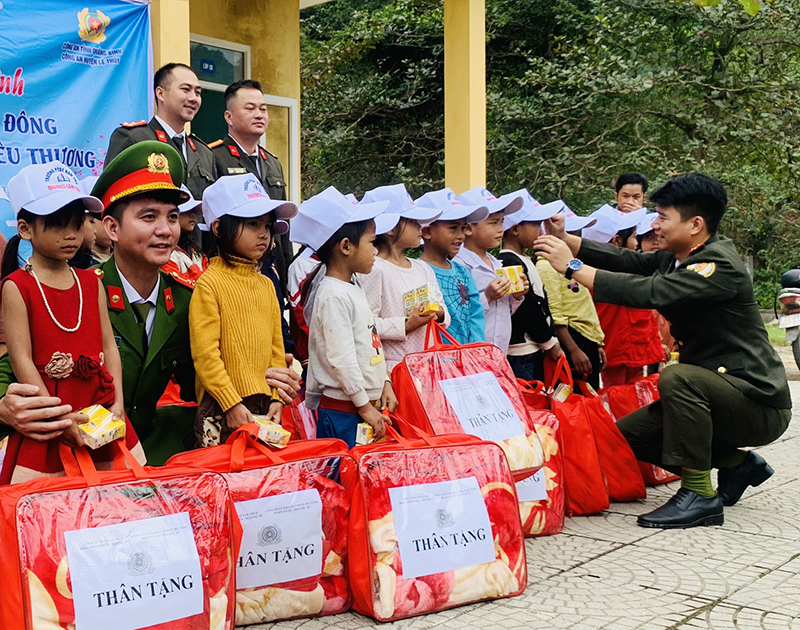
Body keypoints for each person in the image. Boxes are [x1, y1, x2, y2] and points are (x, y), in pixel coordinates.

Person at [0, 142, 301, 464]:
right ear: (112, 228)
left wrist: (276, 378)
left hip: (157, 452)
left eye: (172, 217)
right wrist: (4, 406)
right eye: (148, 217)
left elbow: (207, 375)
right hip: (74, 451)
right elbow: (13, 369)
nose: (165, 230)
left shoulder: (189, 299)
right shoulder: (78, 292)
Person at [535, 173, 791, 529]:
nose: (654, 225)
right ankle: (737, 464)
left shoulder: (715, 266)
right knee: (626, 437)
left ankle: (699, 494)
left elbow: (648, 293)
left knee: (678, 377)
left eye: (663, 217)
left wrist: (573, 267)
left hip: (756, 402)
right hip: (716, 393)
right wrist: (569, 241)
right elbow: (627, 263)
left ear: (695, 224)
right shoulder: (677, 257)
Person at [0, 161, 144, 483]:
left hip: (99, 411)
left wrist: (117, 400)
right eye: (58, 224)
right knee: (50, 510)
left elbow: (109, 346)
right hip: (51, 416)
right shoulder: (16, 286)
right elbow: (21, 358)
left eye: (78, 224)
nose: (71, 235)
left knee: (117, 498)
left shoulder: (92, 281)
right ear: (25, 229)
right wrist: (58, 418)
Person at [189, 174, 297, 446]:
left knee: (261, 482)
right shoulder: (209, 283)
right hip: (220, 406)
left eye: (268, 225)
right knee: (224, 481)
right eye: (252, 224)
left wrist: (277, 399)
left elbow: (276, 349)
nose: (264, 233)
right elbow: (205, 356)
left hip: (263, 404)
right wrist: (230, 404)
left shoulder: (265, 284)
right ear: (217, 227)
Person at [293, 187, 397, 447]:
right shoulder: (333, 295)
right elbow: (342, 359)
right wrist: (364, 406)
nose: (376, 251)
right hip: (345, 411)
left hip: (360, 407)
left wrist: (384, 382)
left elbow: (368, 340)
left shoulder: (352, 286)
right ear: (346, 246)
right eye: (372, 242)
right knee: (344, 479)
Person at [209, 80, 291, 289]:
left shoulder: (272, 162)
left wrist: (286, 272)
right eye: (250, 108)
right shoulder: (213, 156)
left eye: (263, 109)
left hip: (270, 268)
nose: (259, 114)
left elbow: (283, 229)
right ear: (229, 116)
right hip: (232, 270)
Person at [358, 183, 449, 372]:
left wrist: (438, 312)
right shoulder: (375, 269)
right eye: (413, 221)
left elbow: (443, 311)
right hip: (395, 370)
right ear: (390, 228)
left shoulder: (422, 268)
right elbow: (365, 324)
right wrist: (406, 324)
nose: (420, 227)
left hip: (429, 366)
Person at [105, 63, 217, 200]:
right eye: (186, 89)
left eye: (197, 92)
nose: (193, 98)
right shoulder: (134, 138)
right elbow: (112, 196)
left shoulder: (204, 152)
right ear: (161, 93)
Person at [582, 205, 663, 387]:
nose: (636, 243)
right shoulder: (592, 277)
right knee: (613, 399)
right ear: (617, 241)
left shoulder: (634, 271)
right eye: (634, 236)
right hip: (614, 353)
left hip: (635, 351)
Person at [536, 203, 606, 390]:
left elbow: (583, 306)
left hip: (586, 340)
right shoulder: (546, 266)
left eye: (576, 233)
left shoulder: (575, 266)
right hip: (573, 341)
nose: (575, 239)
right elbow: (555, 314)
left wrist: (597, 343)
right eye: (569, 233)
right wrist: (575, 350)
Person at [454, 187, 527, 355]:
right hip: (472, 353)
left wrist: (517, 296)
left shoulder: (497, 264)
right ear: (468, 228)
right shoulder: (460, 266)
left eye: (502, 222)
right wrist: (487, 296)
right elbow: (458, 313)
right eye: (494, 223)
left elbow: (504, 311)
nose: (501, 229)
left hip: (499, 352)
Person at [498, 193, 561, 382]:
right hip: (522, 351)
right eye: (535, 224)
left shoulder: (524, 259)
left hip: (534, 347)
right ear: (515, 229)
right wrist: (548, 342)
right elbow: (527, 308)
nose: (540, 230)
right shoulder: (509, 261)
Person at [416, 188, 488, 345]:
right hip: (437, 359)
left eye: (463, 228)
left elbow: (475, 314)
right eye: (453, 228)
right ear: (427, 232)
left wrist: (475, 349)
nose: (461, 236)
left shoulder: (463, 272)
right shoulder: (417, 272)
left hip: (469, 360)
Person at [161, 185, 207, 285]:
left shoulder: (195, 250)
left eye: (194, 210)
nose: (193, 215)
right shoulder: (163, 251)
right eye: (187, 210)